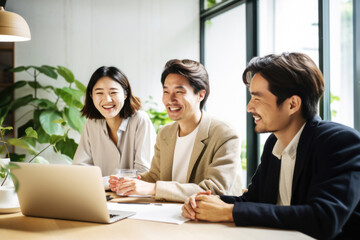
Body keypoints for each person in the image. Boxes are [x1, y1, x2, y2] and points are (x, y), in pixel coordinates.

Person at [181, 52, 360, 239]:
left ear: (292, 104)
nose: (249, 107)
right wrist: (207, 201)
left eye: (257, 98)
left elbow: (324, 219)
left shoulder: (341, 142)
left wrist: (229, 212)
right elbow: (252, 200)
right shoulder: (275, 142)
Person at [109, 59, 242, 202]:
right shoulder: (165, 133)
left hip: (209, 219)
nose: (170, 99)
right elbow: (155, 177)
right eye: (166, 91)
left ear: (201, 95)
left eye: (179, 91)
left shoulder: (224, 134)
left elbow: (215, 190)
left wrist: (153, 188)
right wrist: (127, 182)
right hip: (171, 214)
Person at [73, 66, 156, 189]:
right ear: (91, 95)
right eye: (99, 93)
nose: (107, 99)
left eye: (113, 92)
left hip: (133, 197)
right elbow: (80, 170)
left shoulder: (140, 120)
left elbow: (144, 173)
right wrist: (108, 183)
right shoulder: (92, 123)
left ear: (125, 94)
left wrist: (102, 182)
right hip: (100, 196)